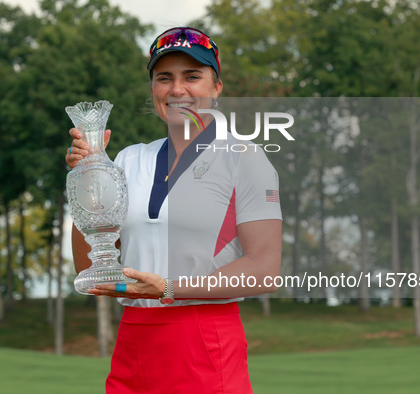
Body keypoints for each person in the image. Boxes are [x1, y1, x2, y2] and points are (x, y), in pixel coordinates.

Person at [66, 27, 282, 393]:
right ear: (153, 90)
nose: (177, 90)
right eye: (164, 78)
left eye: (192, 76)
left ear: (217, 88)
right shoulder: (128, 159)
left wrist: (168, 288)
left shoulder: (246, 160)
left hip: (205, 339)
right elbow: (90, 268)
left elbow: (263, 269)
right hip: (134, 341)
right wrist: (89, 176)